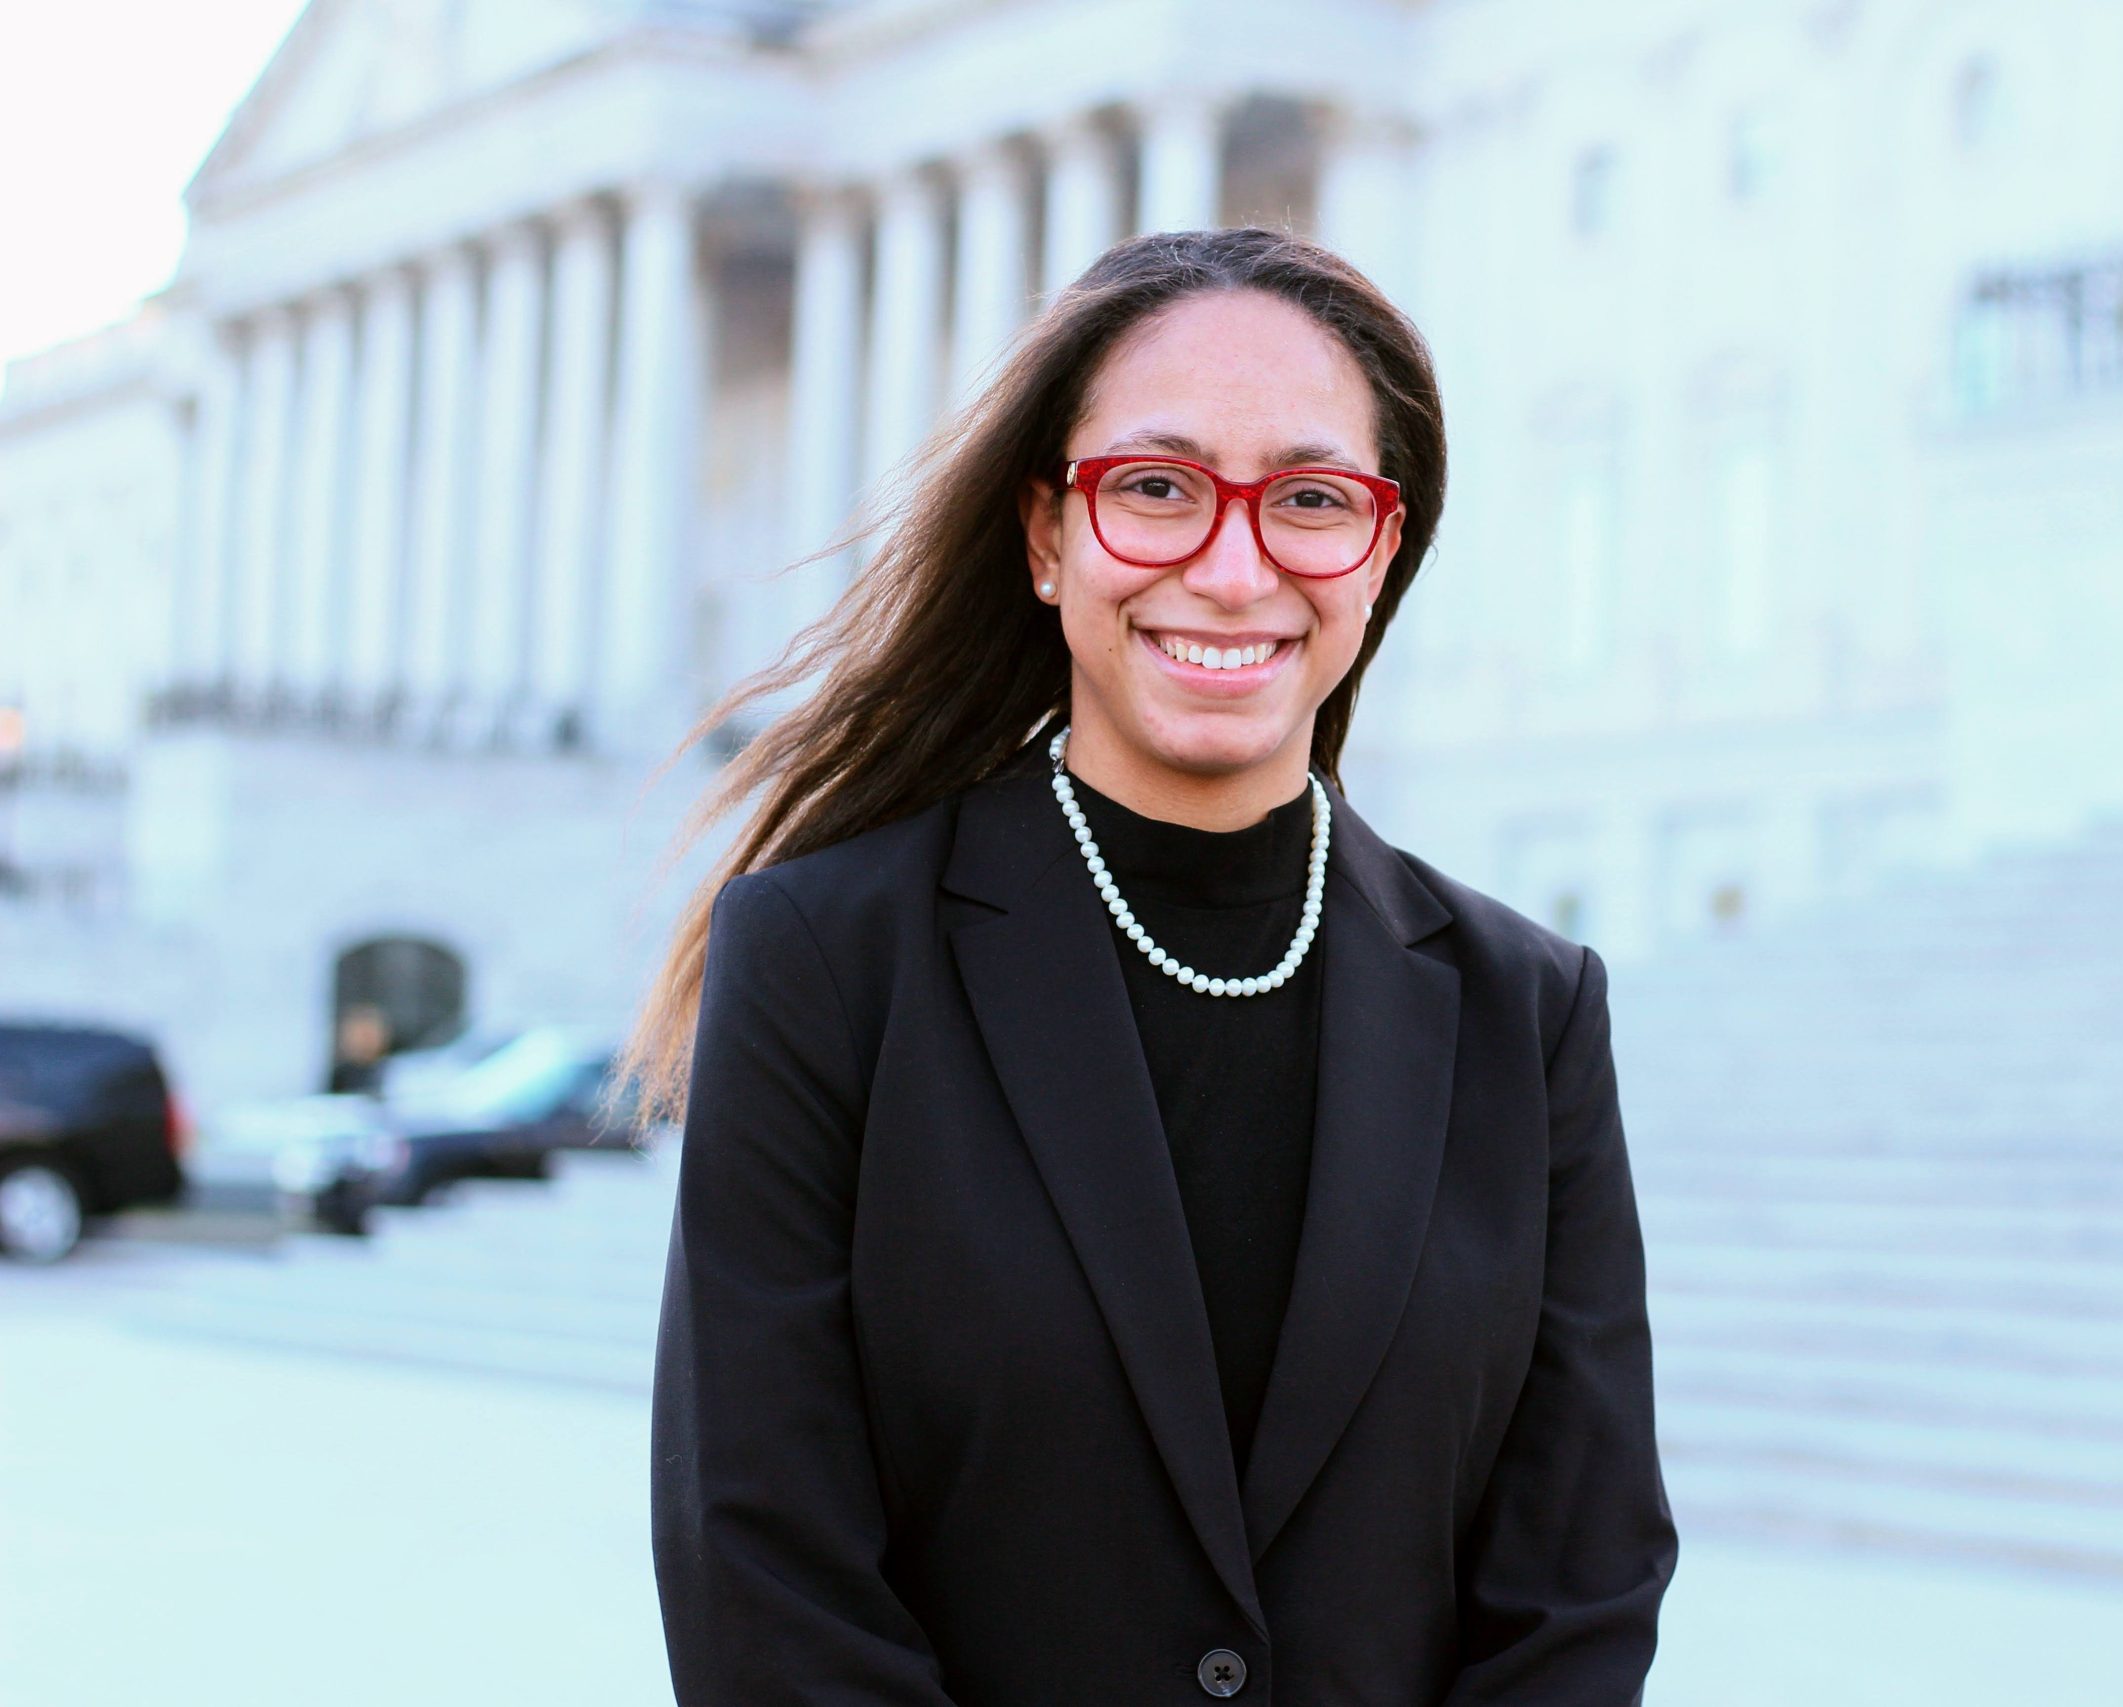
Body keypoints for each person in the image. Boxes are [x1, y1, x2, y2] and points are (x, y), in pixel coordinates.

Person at [615, 226, 1676, 1705]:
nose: (1233, 568)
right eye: (1158, 488)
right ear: (1048, 538)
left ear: (1382, 551)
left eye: (1309, 500)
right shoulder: (824, 956)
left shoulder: (1529, 1008)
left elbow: (1581, 1576)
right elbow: (762, 1566)